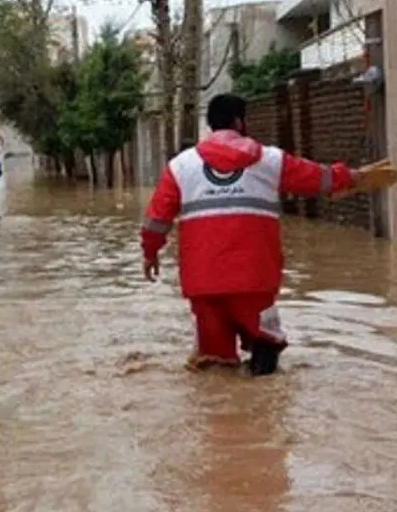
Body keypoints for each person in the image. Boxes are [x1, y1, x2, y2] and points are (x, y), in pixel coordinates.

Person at [140, 94, 361, 376]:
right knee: (266, 347)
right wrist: (353, 176)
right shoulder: (270, 160)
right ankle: (260, 408)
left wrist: (150, 254)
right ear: (240, 122)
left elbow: (156, 220)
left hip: (203, 283)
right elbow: (319, 177)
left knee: (214, 365)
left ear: (210, 125)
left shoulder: (180, 167)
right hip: (254, 279)